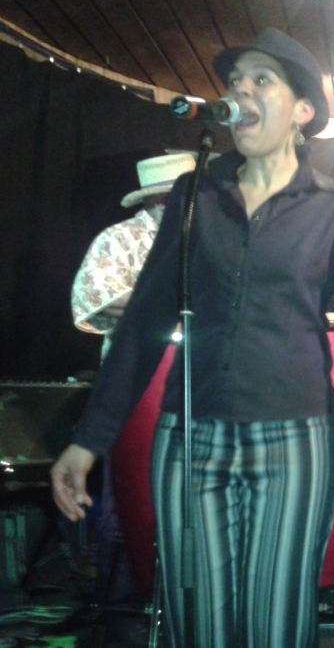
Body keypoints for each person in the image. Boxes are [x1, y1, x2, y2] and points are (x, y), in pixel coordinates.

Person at [50, 28, 334, 648]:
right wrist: (88, 441)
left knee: (276, 622)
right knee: (199, 624)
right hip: (191, 434)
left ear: (302, 111)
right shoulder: (196, 194)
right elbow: (142, 325)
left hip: (296, 437)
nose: (241, 90)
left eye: (262, 80)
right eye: (234, 81)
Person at [70, 151, 197, 598]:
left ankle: (187, 597)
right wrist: (169, 300)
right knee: (132, 488)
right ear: (161, 199)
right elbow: (95, 299)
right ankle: (124, 599)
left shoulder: (208, 238)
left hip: (200, 378)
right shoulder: (118, 239)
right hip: (137, 378)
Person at [71, 152, 196, 358]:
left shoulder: (211, 234)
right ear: (157, 200)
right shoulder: (118, 237)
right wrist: (175, 306)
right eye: (187, 197)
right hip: (139, 357)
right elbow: (103, 298)